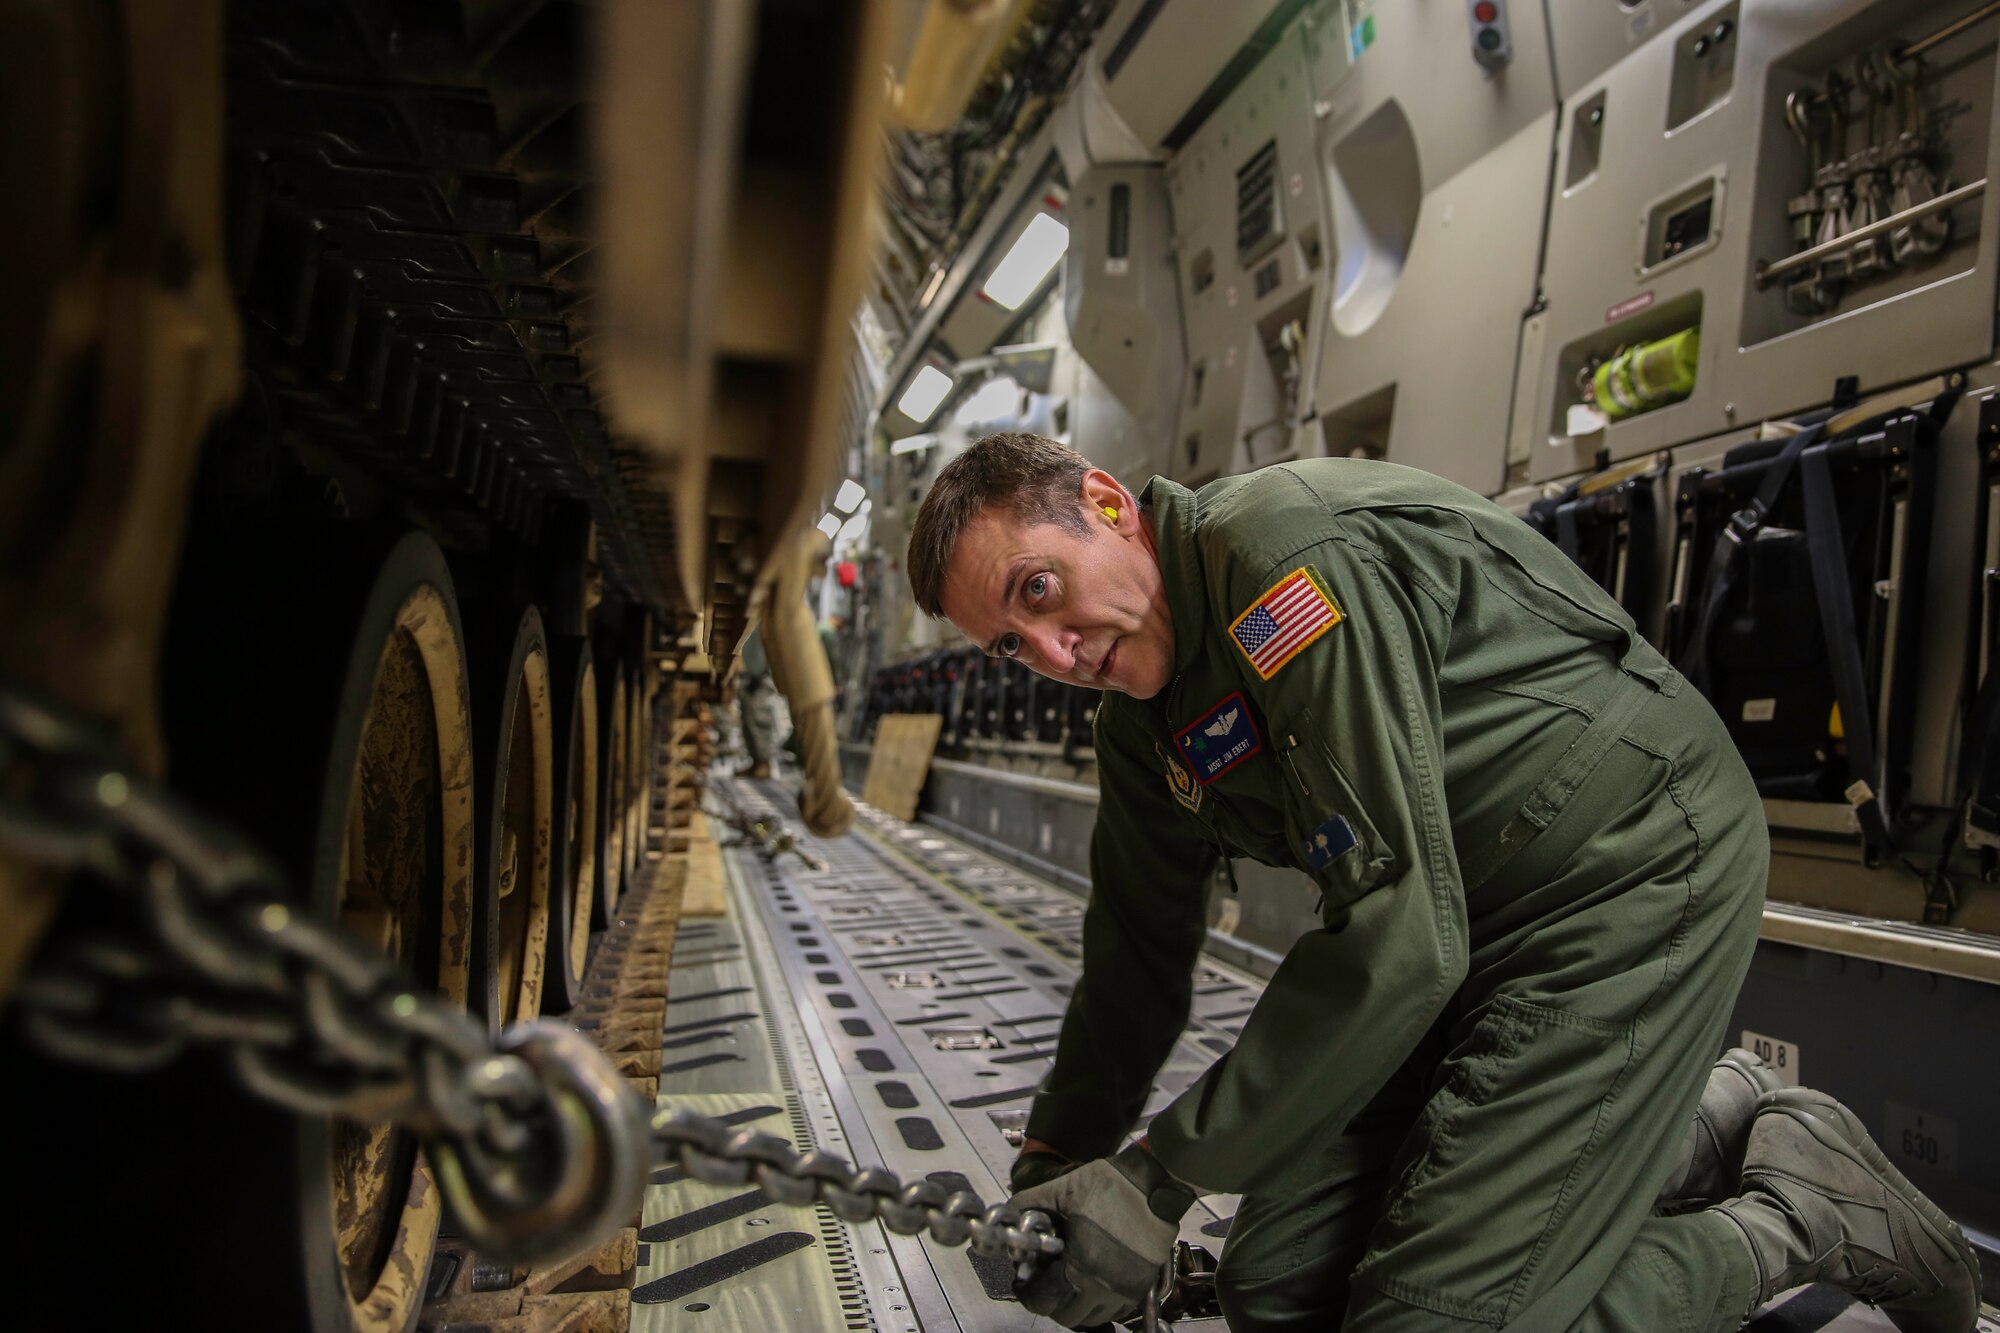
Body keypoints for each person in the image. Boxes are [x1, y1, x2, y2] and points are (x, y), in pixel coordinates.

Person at [902, 431, 1980, 1332]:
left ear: (1102, 502)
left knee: (1428, 1320)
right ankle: (1704, 1113)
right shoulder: (1139, 728)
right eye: (1010, 645)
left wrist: (1155, 1179)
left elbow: (1394, 929)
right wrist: (1054, 1165)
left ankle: (1806, 1214)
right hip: (1466, 923)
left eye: (1036, 589)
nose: (1052, 647)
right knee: (1271, 1285)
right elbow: (1135, 947)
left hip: (1622, 870)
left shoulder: (1275, 558)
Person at [736, 626, 776, 780]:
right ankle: (756, 761)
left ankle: (764, 763)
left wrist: (756, 673)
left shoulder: (760, 621)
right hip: (749, 677)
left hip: (759, 680)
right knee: (748, 722)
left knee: (759, 720)